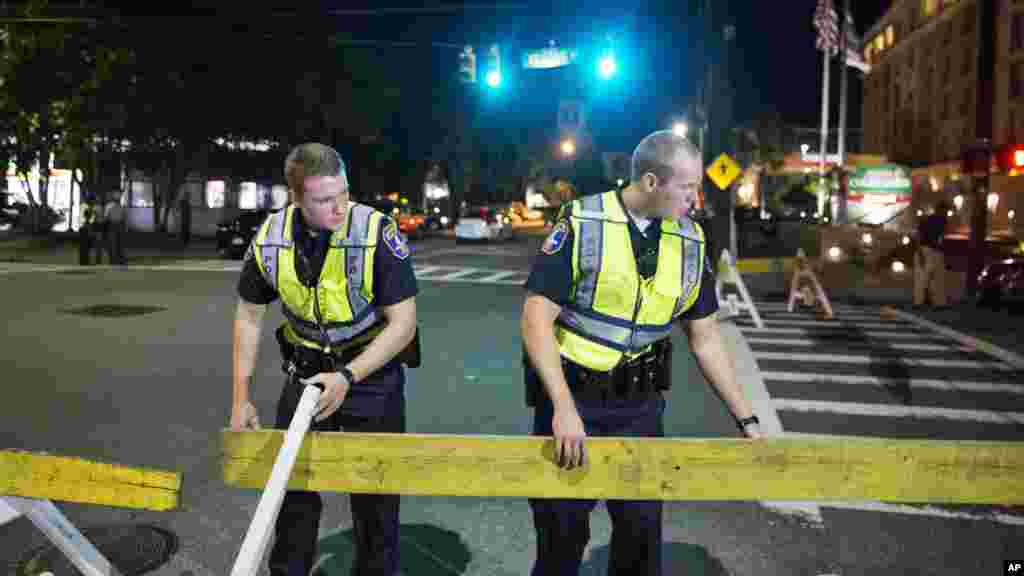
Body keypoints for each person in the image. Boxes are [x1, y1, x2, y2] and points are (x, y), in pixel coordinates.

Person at [520, 130, 763, 576]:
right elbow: (536, 320)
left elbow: (706, 338)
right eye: (688, 188)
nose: (696, 197)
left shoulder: (691, 240)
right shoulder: (582, 221)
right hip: (575, 407)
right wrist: (562, 408)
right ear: (652, 182)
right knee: (561, 542)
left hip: (640, 411)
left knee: (640, 543)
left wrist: (746, 418)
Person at [230, 143, 420, 576]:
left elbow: (403, 324)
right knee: (293, 494)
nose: (339, 207)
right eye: (323, 199)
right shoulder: (272, 237)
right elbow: (248, 314)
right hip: (305, 376)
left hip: (370, 378)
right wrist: (240, 397)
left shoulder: (375, 231)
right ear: (296, 199)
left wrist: (349, 376)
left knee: (375, 500)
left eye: (344, 194)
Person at [913, 201, 949, 309]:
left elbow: (919, 236)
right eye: (945, 211)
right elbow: (940, 238)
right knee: (935, 278)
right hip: (931, 250)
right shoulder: (941, 221)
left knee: (923, 278)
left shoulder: (927, 220)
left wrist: (919, 252)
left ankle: (920, 302)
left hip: (927, 250)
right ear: (941, 211)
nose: (946, 214)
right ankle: (938, 302)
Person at [101, 191, 125, 265]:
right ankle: (119, 260)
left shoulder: (109, 206)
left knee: (113, 244)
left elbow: (105, 217)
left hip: (112, 226)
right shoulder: (120, 206)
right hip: (118, 225)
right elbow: (123, 217)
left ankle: (114, 260)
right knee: (118, 244)